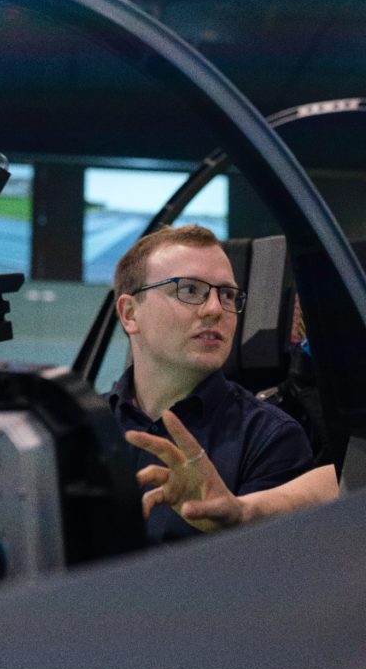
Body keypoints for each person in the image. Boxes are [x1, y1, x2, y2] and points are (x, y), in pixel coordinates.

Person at [107, 223, 313, 543]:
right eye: (189, 290)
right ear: (130, 314)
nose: (216, 309)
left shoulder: (271, 438)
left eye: (228, 295)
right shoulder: (83, 427)